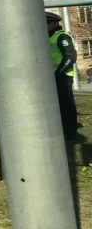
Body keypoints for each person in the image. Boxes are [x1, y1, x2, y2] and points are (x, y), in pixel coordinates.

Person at [46, 12, 78, 140]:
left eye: (47, 23)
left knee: (66, 105)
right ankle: (60, 131)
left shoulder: (62, 37)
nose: (44, 26)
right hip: (51, 77)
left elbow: (70, 56)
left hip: (63, 77)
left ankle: (69, 133)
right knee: (56, 105)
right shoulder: (47, 37)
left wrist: (59, 73)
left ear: (54, 23)